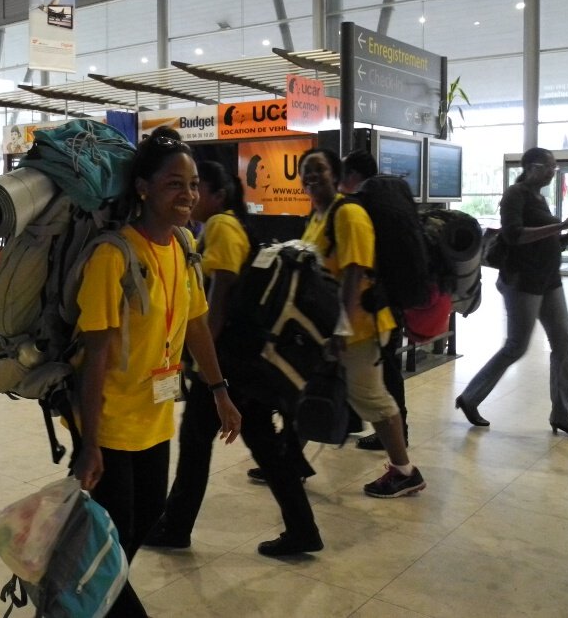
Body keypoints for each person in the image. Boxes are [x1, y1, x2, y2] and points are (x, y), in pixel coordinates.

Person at [73, 128, 242, 617]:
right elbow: (96, 354)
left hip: (155, 414)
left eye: (191, 184)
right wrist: (89, 442)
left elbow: (195, 325)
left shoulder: (184, 247)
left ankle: (81, 596)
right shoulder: (113, 256)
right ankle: (90, 600)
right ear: (143, 188)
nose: (187, 194)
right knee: (115, 536)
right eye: (174, 184)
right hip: (111, 423)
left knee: (143, 521)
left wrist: (219, 391)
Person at [145, 160, 322, 558]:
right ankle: (302, 528)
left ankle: (176, 526)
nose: (191, 196)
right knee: (260, 443)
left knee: (197, 442)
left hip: (229, 361)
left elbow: (219, 297)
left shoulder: (223, 226)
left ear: (218, 195)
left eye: (197, 187)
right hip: (243, 360)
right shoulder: (229, 225)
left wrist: (205, 361)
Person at [298, 147, 425, 499]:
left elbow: (356, 270)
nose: (311, 177)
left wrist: (341, 326)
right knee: (310, 388)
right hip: (333, 325)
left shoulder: (348, 213)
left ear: (336, 176)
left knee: (371, 398)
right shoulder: (318, 216)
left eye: (319, 170)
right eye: (305, 171)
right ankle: (290, 460)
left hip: (361, 325)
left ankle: (405, 472)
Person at [456, 147, 568, 440]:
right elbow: (513, 235)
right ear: (532, 167)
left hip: (548, 280)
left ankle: (561, 414)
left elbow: (553, 245)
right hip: (523, 281)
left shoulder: (539, 198)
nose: (553, 172)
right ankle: (470, 397)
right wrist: (560, 224)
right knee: (516, 346)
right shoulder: (515, 195)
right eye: (549, 167)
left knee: (564, 346)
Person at [340, 149, 409, 451]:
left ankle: (397, 437)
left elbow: (359, 264)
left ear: (352, 174)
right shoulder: (388, 199)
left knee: (388, 371)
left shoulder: (360, 206)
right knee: (386, 367)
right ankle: (354, 423)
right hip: (391, 296)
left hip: (376, 303)